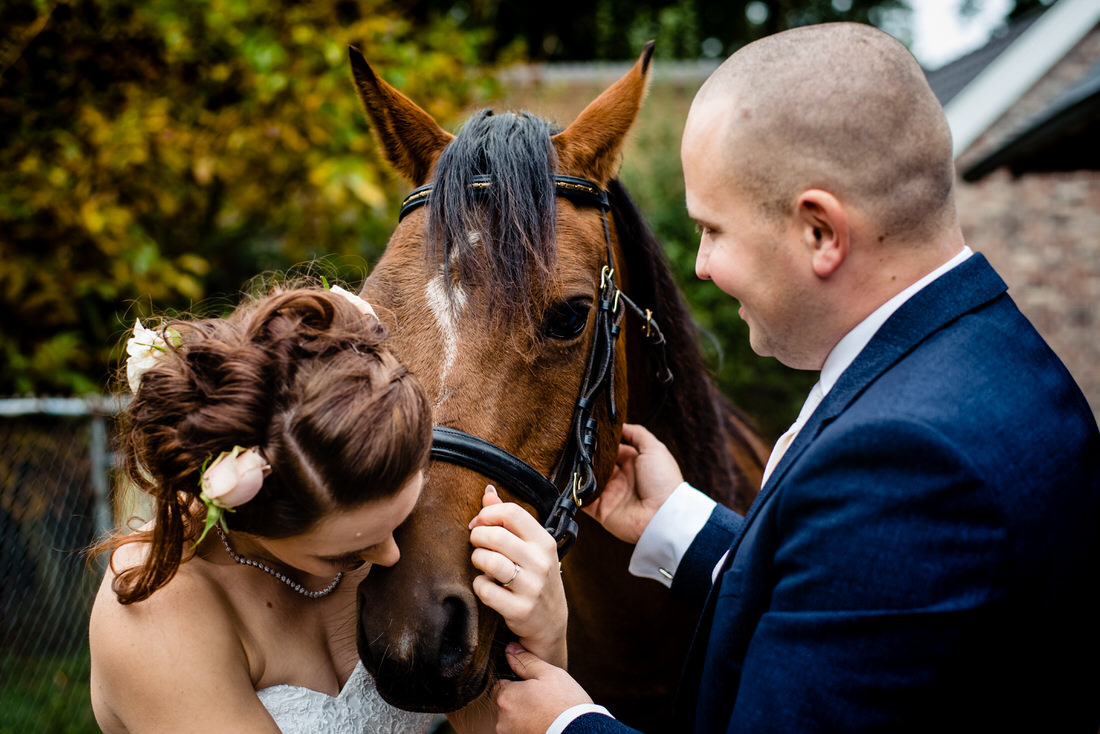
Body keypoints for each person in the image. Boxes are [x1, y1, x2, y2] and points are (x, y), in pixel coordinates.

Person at [488, 22, 1100, 734]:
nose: (702, 266)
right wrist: (675, 526)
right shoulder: (982, 350)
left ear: (820, 232)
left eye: (713, 230)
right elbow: (871, 600)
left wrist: (567, 726)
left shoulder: (908, 462)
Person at [88, 283, 564, 734]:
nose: (393, 556)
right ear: (248, 516)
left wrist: (545, 643)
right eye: (345, 556)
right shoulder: (157, 612)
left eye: (402, 517)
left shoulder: (376, 522)